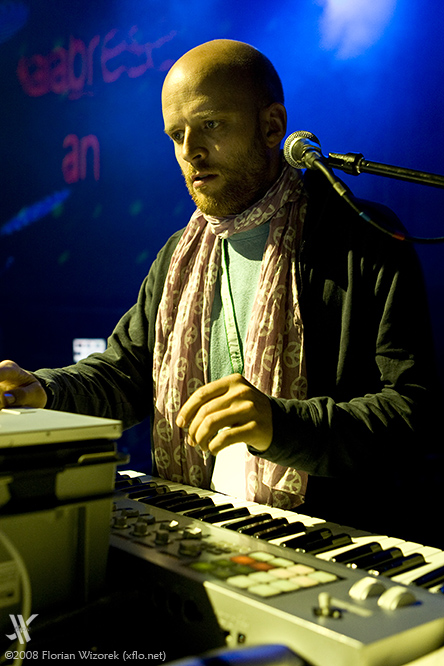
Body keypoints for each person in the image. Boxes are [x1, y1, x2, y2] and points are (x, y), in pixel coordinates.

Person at [0, 39, 439, 543]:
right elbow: (125, 374)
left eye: (210, 125)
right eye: (176, 134)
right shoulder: (178, 254)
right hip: (200, 528)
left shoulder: (365, 238)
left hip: (332, 538)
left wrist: (279, 425)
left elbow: (412, 412)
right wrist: (46, 390)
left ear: (272, 126)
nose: (190, 151)